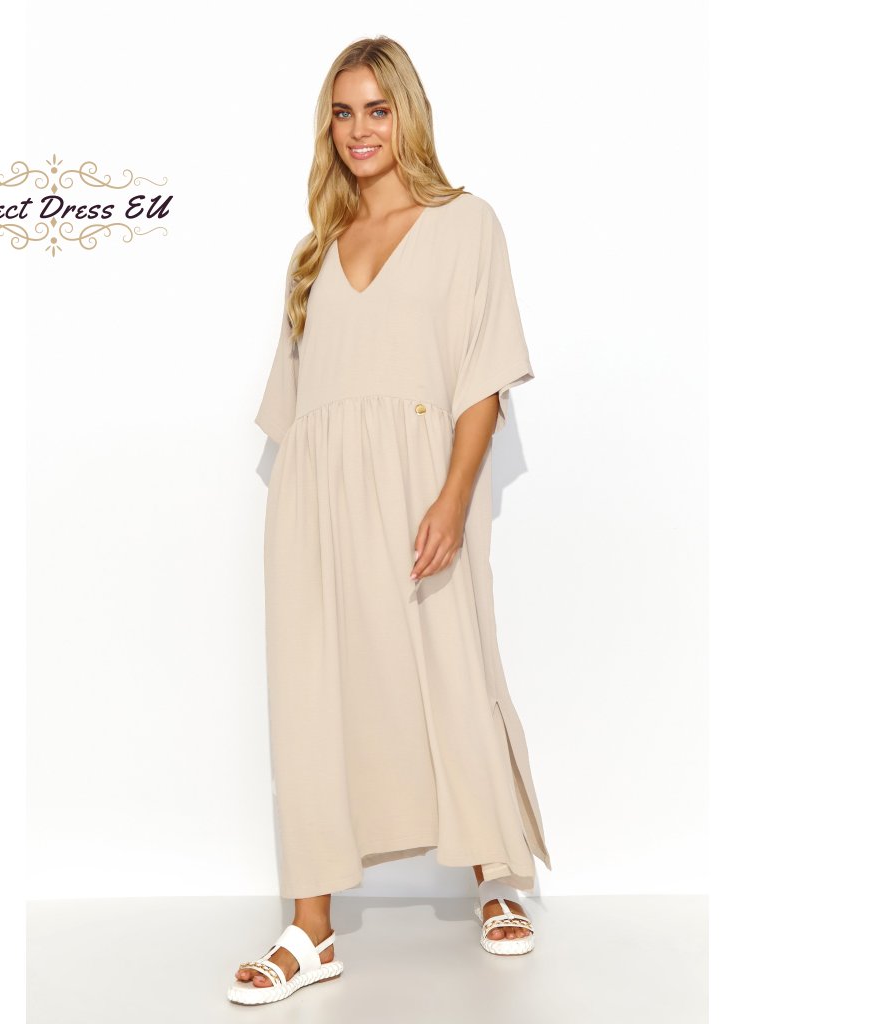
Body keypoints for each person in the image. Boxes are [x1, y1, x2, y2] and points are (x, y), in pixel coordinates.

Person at [228, 36, 552, 1005]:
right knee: (312, 694)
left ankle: (496, 873)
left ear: (408, 113)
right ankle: (311, 928)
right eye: (343, 112)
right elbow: (298, 408)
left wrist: (452, 494)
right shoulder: (314, 254)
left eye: (377, 108)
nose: (360, 129)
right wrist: (300, 513)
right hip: (314, 499)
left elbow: (482, 378)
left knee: (451, 665)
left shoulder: (465, 225)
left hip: (418, 481)